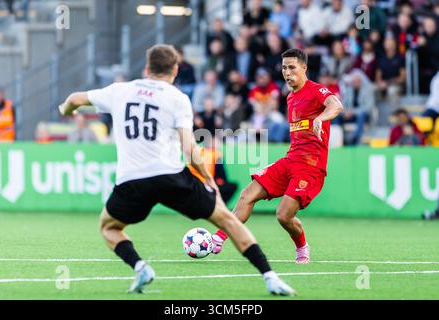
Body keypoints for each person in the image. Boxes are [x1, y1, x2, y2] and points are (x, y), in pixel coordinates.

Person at [58, 44, 295, 296]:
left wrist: (66, 110)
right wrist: (208, 180)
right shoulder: (177, 98)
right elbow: (190, 149)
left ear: (147, 68)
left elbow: (74, 99)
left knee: (108, 227)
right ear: (175, 70)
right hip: (171, 176)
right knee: (226, 220)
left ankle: (140, 267)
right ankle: (270, 278)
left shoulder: (119, 91)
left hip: (132, 180)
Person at [211, 49, 344, 264]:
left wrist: (321, 118)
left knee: (283, 215)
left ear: (304, 68)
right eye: (284, 68)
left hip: (311, 166)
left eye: (292, 67)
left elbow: (336, 105)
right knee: (247, 194)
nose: (287, 72)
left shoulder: (316, 90)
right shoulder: (290, 97)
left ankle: (302, 246)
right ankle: (217, 239)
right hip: (290, 160)